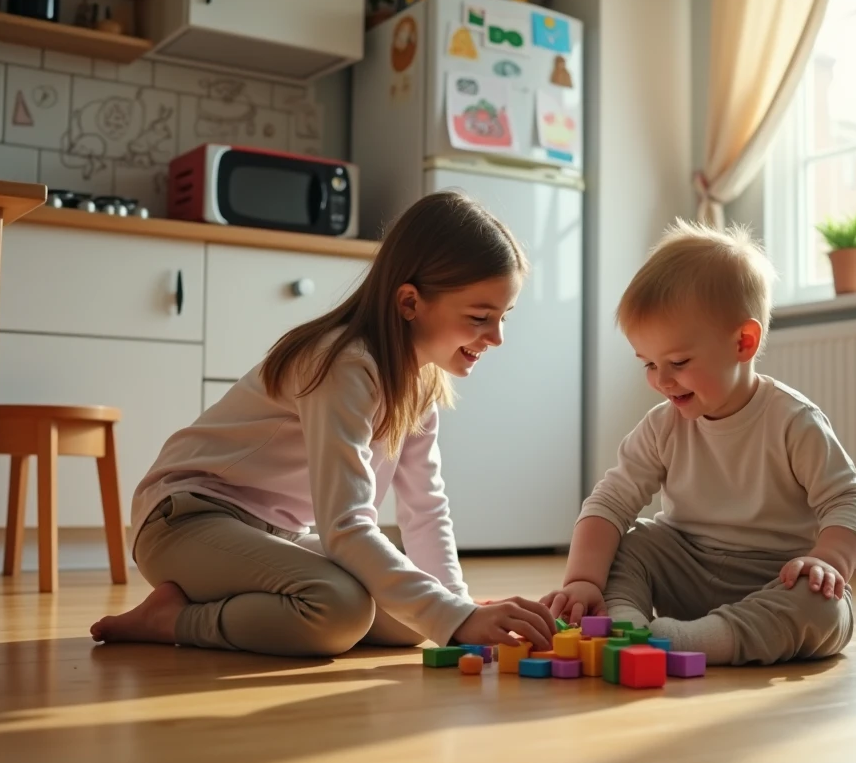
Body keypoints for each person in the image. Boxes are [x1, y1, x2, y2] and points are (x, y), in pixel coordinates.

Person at [92, 191, 557, 656]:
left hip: (277, 534)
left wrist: (457, 610)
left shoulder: (420, 386)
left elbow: (426, 508)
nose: (496, 337)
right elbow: (346, 526)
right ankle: (173, 619)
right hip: (187, 520)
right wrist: (457, 615)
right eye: (480, 317)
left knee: (416, 621)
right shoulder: (343, 364)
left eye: (503, 318)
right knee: (339, 610)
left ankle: (231, 597)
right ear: (410, 302)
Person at [541, 219, 856, 665]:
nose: (661, 380)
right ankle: (625, 625)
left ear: (744, 341)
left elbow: (850, 500)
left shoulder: (794, 421)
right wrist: (582, 580)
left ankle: (700, 641)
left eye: (677, 361)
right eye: (648, 364)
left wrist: (828, 560)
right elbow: (609, 503)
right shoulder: (662, 426)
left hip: (772, 578)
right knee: (631, 541)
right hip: (687, 567)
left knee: (825, 606)